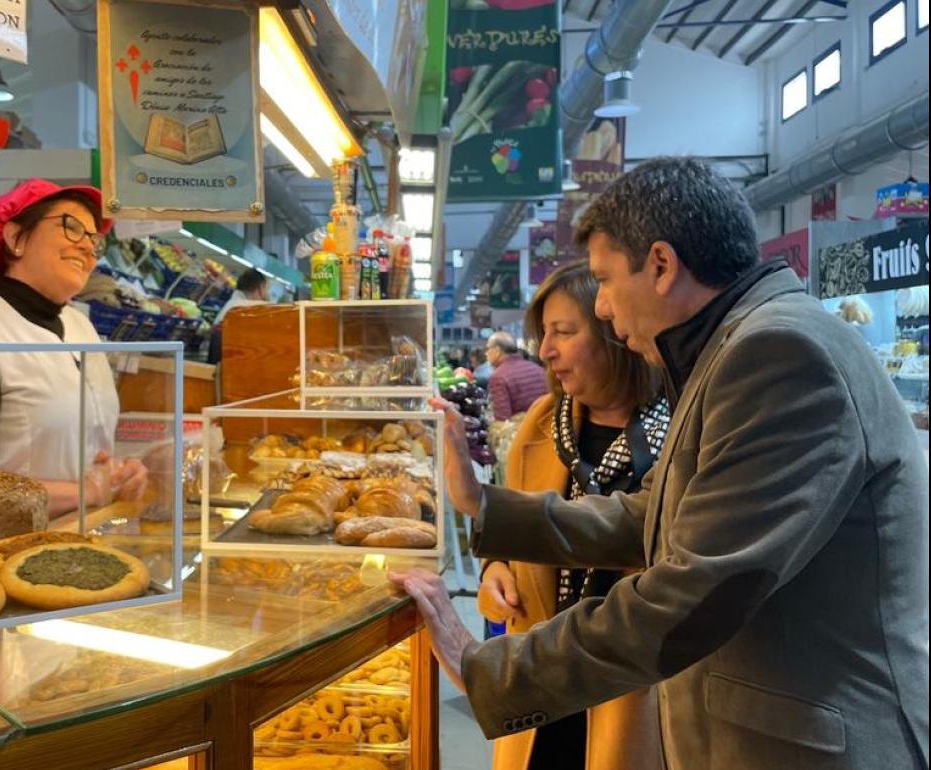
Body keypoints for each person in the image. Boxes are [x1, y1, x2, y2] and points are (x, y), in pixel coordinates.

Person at [391, 157, 928, 770]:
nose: (603, 312)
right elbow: (656, 517)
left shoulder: (779, 354)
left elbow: (696, 590)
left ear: (663, 265)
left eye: (606, 281)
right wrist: (486, 506)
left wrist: (485, 666)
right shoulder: (735, 348)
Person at [484, 261, 666, 770]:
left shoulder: (679, 432)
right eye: (543, 334)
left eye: (563, 332)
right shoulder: (543, 425)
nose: (545, 350)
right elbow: (512, 532)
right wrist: (494, 568)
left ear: (614, 331)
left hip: (632, 698)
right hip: (542, 688)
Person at [0, 179, 148, 526]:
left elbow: (82, 447)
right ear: (15, 238)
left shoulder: (81, 327)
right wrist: (90, 491)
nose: (87, 247)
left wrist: (120, 474)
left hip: (72, 546)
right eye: (71, 228)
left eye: (94, 239)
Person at [486, 331, 548, 420]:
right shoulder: (538, 370)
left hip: (522, 431)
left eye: (488, 348)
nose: (486, 353)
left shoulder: (498, 377)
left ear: (497, 351)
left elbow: (502, 420)